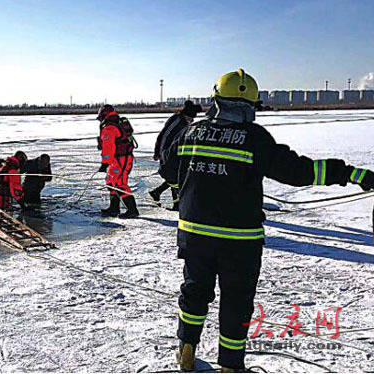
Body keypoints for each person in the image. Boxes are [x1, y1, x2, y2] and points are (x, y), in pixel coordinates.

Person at [159, 68, 374, 372]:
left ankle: (187, 347)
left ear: (216, 99)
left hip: (194, 235)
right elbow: (299, 171)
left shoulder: (189, 132)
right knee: (236, 302)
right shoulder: (254, 138)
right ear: (249, 106)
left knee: (195, 292)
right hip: (239, 242)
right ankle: (231, 366)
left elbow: (167, 171)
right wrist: (351, 173)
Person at [151, 100, 202, 210]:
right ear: (185, 115)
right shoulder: (177, 120)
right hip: (167, 153)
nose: (192, 121)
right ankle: (174, 203)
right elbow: (163, 135)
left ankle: (159, 193)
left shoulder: (184, 122)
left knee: (175, 176)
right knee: (173, 176)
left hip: (175, 153)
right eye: (190, 118)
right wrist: (158, 152)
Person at [96, 104, 139, 218]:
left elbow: (108, 147)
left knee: (120, 183)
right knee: (111, 181)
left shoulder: (109, 128)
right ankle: (114, 208)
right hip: (116, 159)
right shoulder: (115, 123)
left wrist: (105, 163)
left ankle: (132, 210)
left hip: (121, 158)